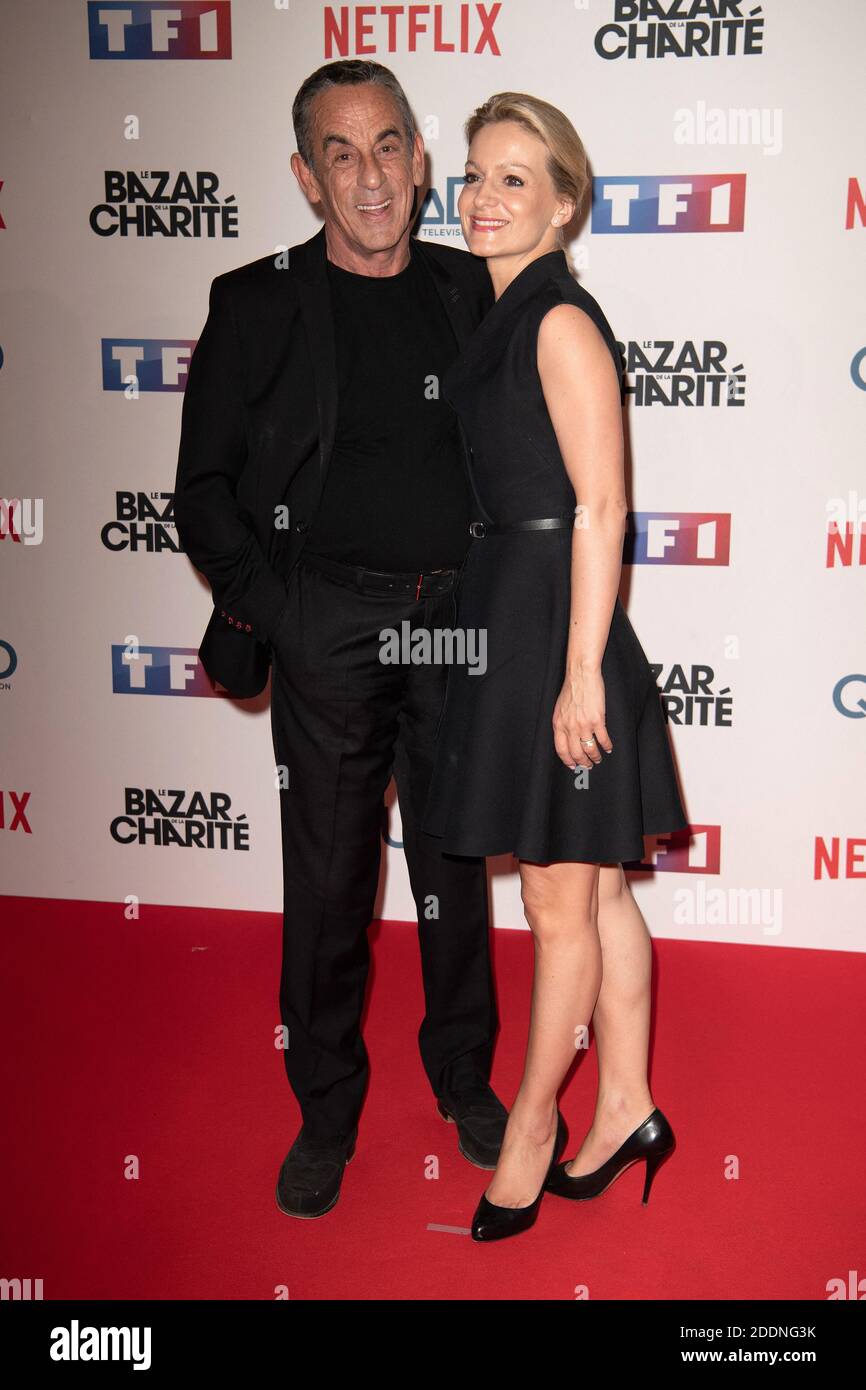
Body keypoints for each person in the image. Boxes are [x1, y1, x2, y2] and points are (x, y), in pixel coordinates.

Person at [174, 59, 509, 1221]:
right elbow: (201, 492)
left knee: (453, 867)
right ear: (305, 176)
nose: (369, 176)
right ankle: (324, 1110)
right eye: (340, 153)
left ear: (419, 157)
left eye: (387, 146)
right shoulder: (254, 302)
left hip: (452, 624)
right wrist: (285, 616)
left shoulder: (473, 288)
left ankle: (463, 1078)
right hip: (330, 624)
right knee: (328, 883)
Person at [421, 93, 689, 1242]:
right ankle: (625, 1102)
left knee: (552, 899)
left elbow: (601, 506)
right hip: (516, 612)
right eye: (475, 174)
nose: (482, 197)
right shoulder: (499, 315)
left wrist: (580, 672)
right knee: (598, 888)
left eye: (514, 179)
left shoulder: (558, 321)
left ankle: (530, 1128)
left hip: (553, 634)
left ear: (564, 204)